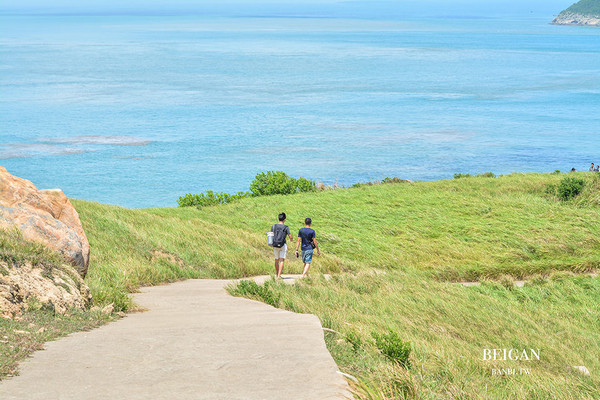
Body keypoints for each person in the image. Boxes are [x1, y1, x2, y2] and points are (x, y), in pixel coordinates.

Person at [271, 212, 292, 279]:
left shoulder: (273, 226)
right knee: (281, 260)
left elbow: (271, 235)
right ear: (284, 219)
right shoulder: (286, 227)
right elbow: (290, 236)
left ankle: (277, 274)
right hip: (283, 244)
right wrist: (291, 239)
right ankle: (279, 276)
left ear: (278, 218)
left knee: (276, 260)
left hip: (275, 244)